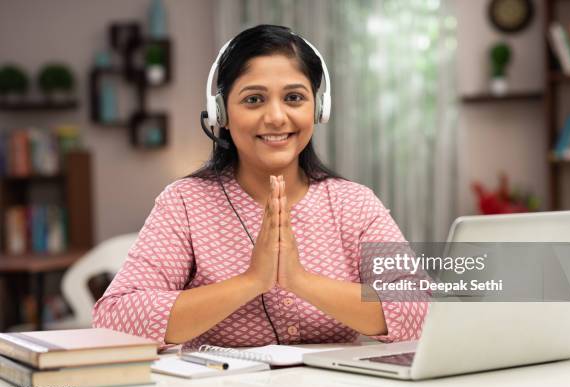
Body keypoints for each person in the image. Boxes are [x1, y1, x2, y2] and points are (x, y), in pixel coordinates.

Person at [92, 24, 427, 349]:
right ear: (220, 113)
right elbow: (114, 319)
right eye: (254, 100)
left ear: (318, 109)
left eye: (294, 97)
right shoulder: (185, 204)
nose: (277, 117)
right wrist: (251, 281)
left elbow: (421, 310)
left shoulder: (354, 204)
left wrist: (302, 281)